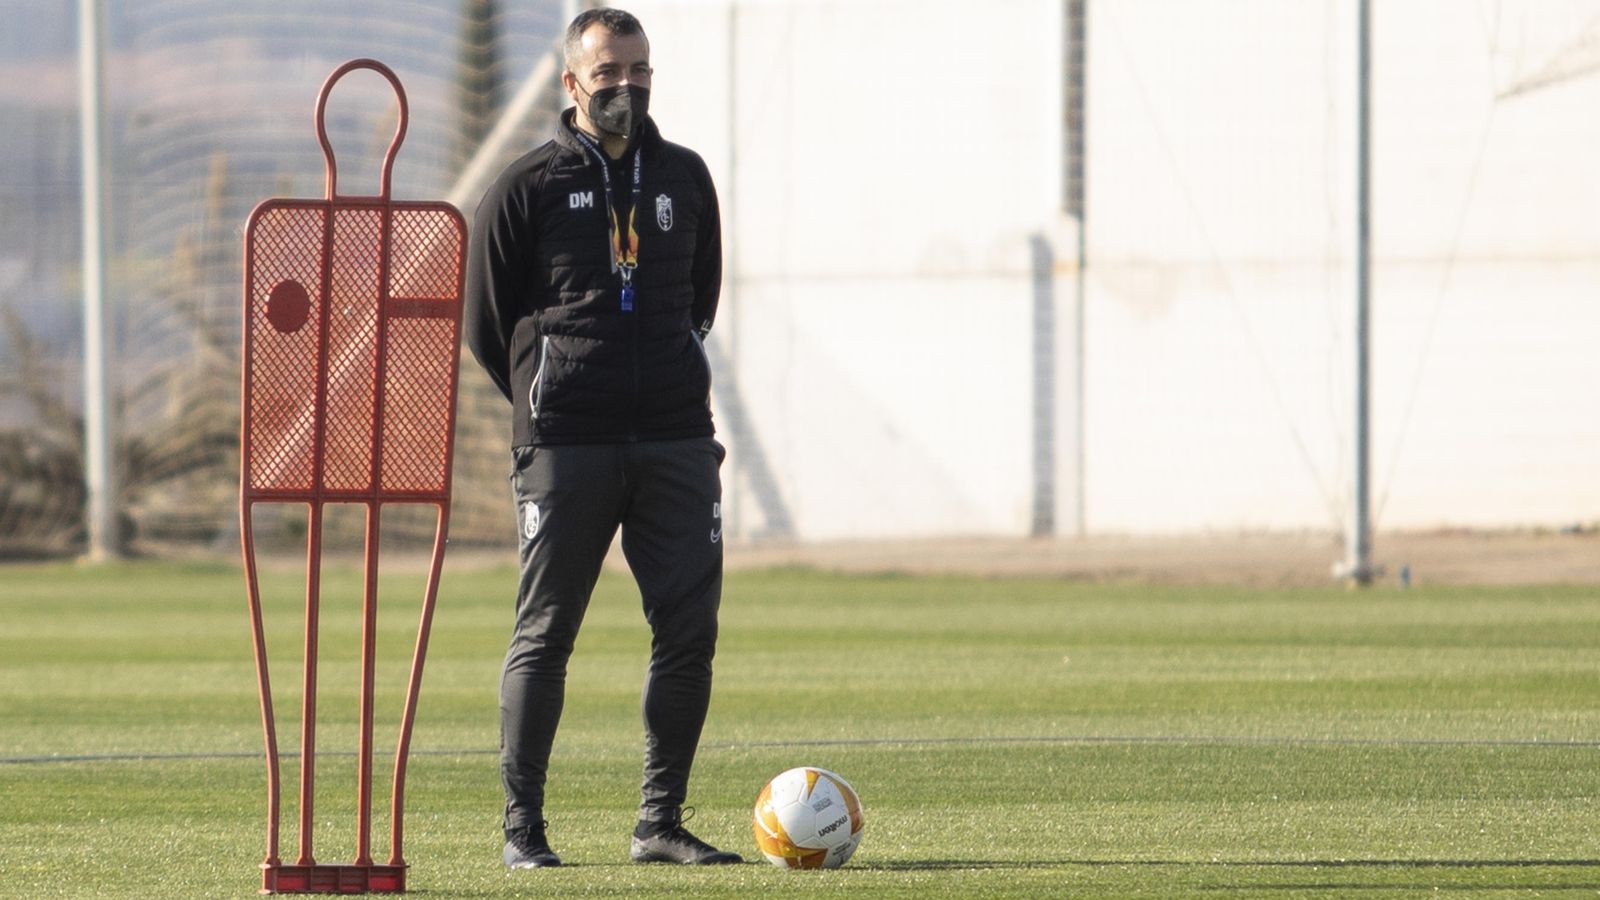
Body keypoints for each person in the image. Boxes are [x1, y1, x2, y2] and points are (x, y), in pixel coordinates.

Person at [464, 6, 739, 869]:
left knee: (688, 632)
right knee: (546, 634)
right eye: (609, 72)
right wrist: (547, 396)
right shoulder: (527, 184)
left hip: (674, 440)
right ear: (571, 82)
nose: (626, 86)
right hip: (565, 444)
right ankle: (524, 832)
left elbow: (701, 298)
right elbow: (483, 318)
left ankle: (659, 824)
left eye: (640, 71)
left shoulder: (686, 179)